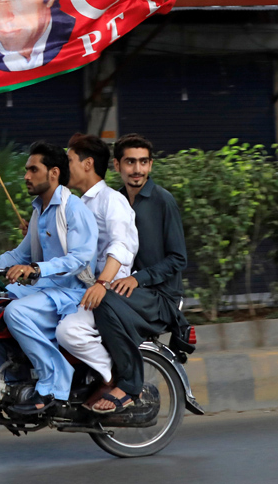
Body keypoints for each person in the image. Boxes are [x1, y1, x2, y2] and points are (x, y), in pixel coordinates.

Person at [0, 141, 97, 415]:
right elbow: (19, 256)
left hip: (71, 294)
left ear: (53, 173)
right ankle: (17, 383)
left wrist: (38, 269)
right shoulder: (40, 210)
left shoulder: (73, 209)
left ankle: (54, 381)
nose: (26, 176)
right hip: (45, 291)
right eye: (26, 170)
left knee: (15, 313)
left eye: (33, 169)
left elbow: (81, 259)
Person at [89, 134, 194, 413]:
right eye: (130, 162)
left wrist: (138, 278)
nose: (137, 169)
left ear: (151, 165)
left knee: (104, 299)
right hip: (130, 291)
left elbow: (178, 258)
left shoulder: (163, 201)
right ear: (117, 165)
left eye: (143, 162)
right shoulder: (116, 200)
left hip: (160, 296)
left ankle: (129, 384)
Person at [54, 134, 139, 412]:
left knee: (69, 331)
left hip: (109, 293)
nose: (64, 168)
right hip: (82, 288)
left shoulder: (110, 200)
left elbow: (121, 246)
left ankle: (109, 377)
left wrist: (103, 284)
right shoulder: (78, 204)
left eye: (69, 161)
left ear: (88, 164)